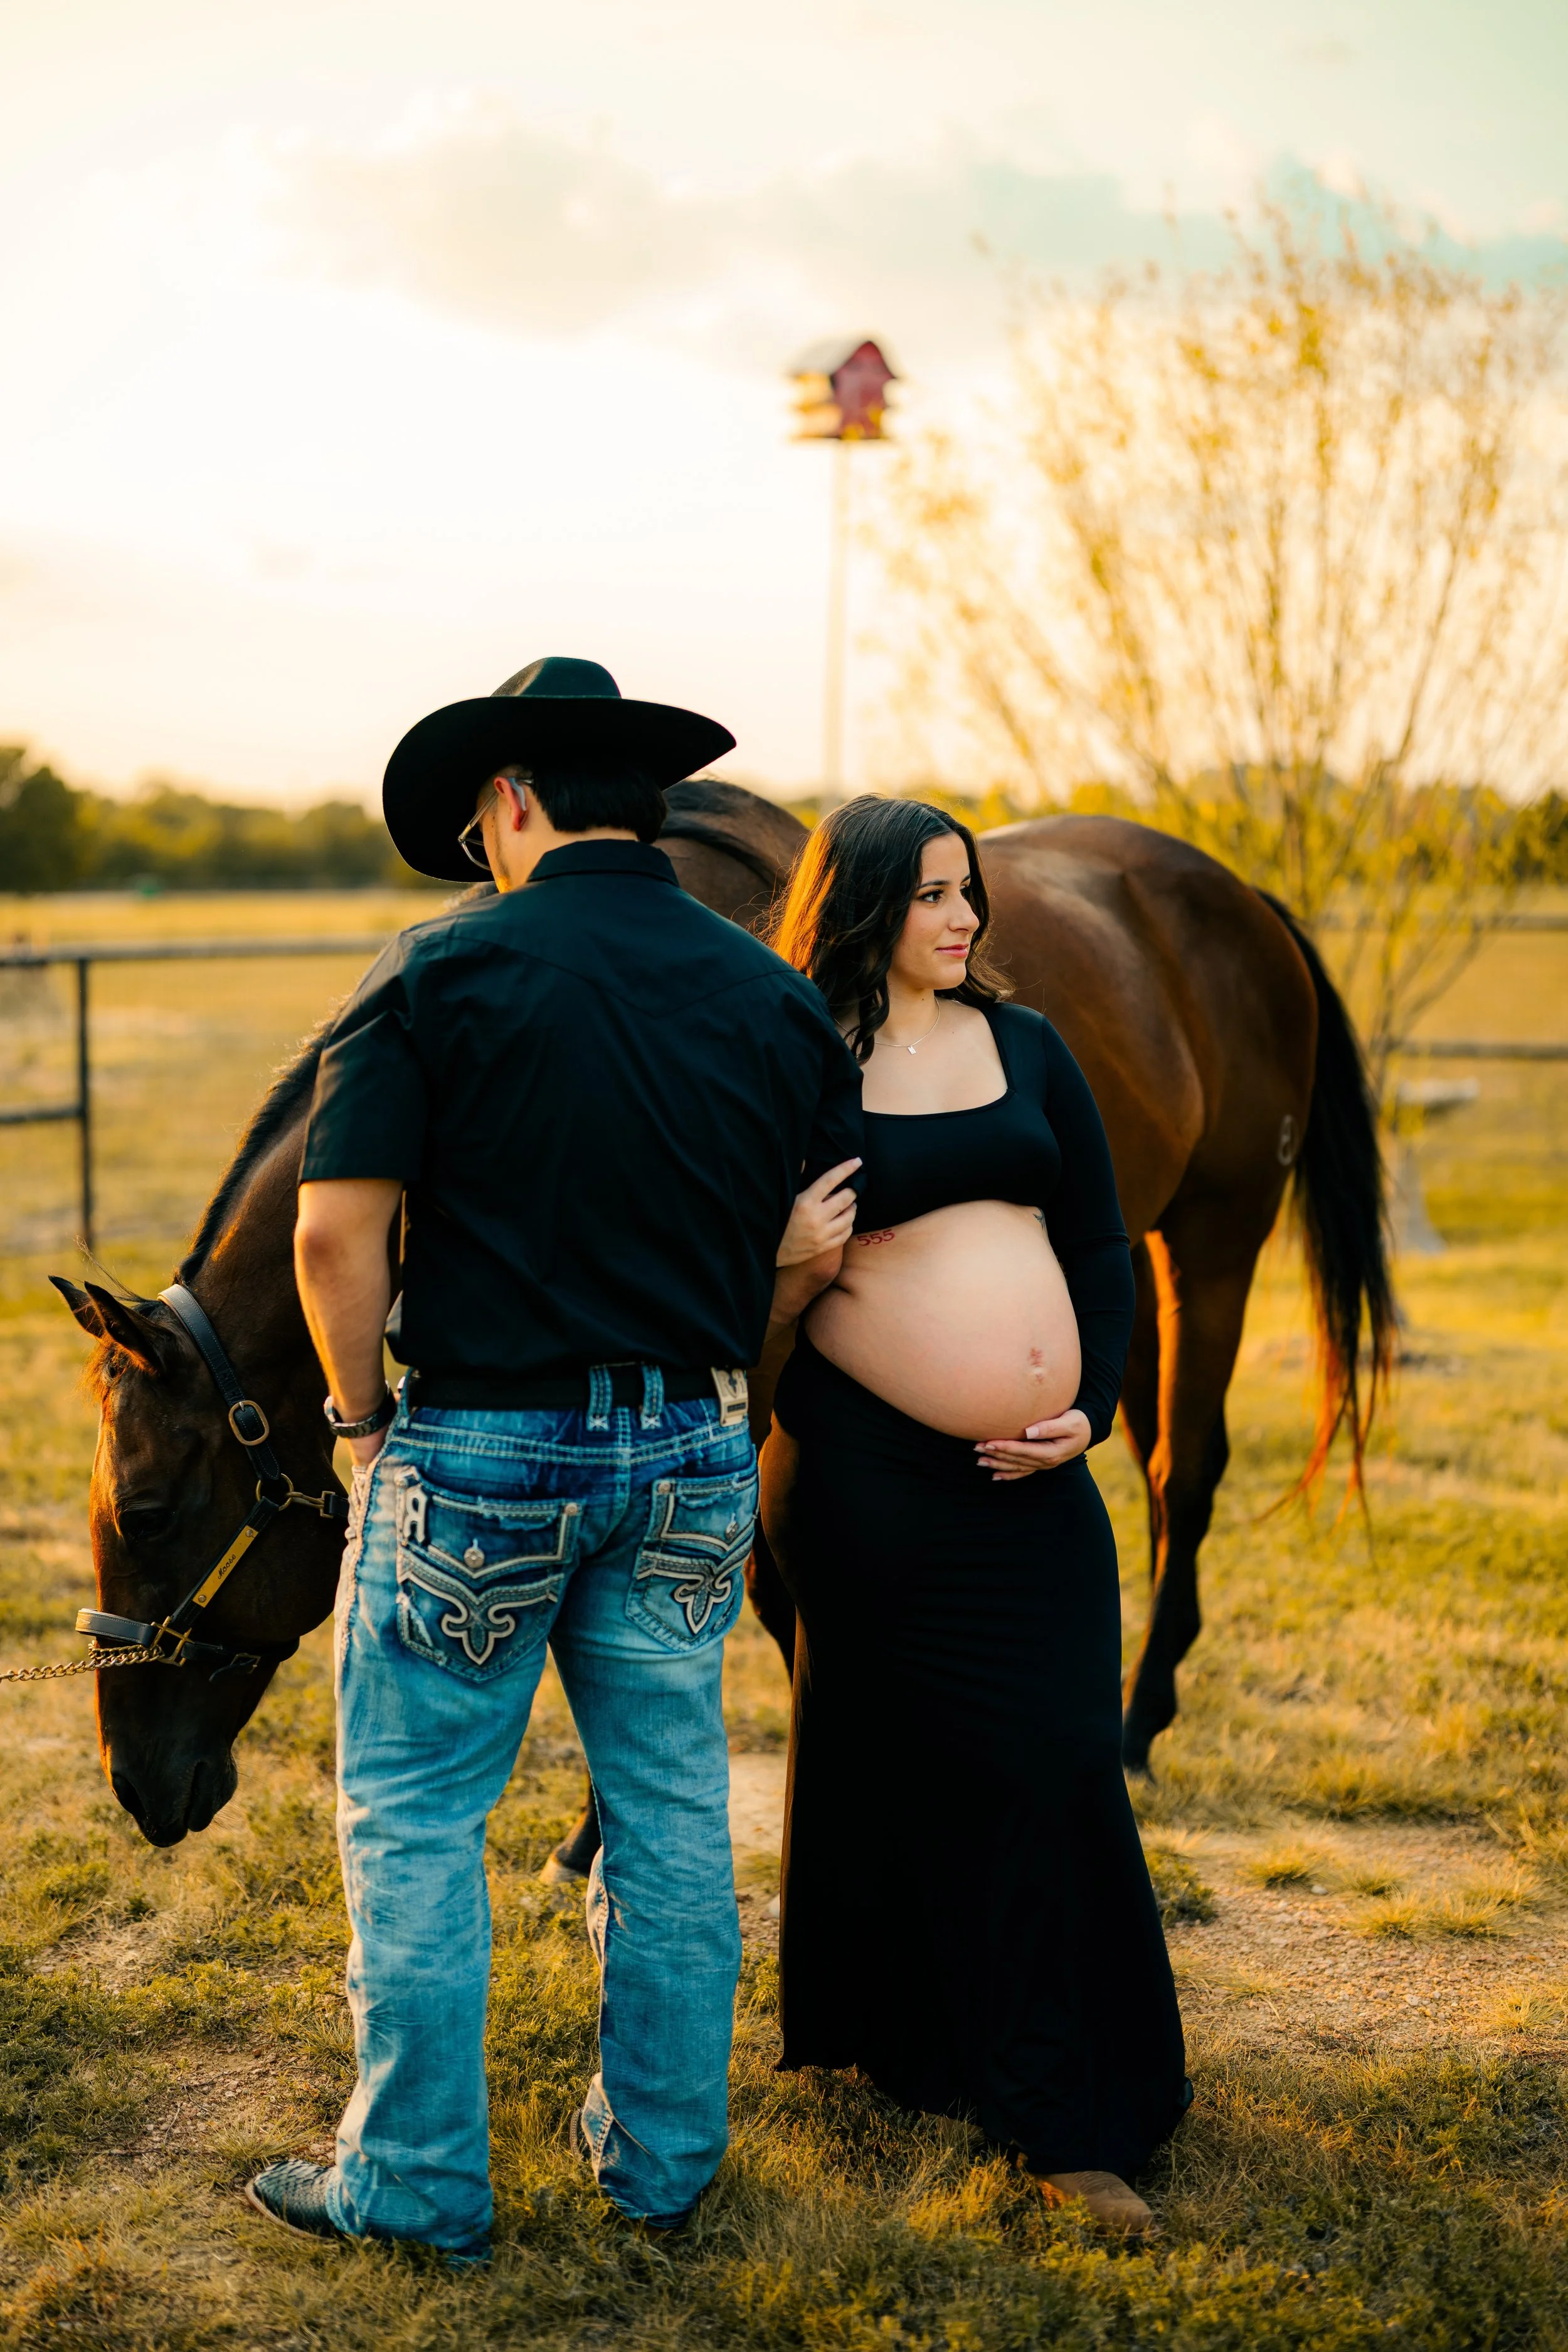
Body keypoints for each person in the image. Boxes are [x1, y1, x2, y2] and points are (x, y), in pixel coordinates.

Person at [245, 657, 862, 2260]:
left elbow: (332, 1233)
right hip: (689, 1446)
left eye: (477, 824)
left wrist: (360, 1425)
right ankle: (664, 2164)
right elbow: (807, 1252)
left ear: (514, 801)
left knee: (417, 1816)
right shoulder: (774, 998)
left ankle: (419, 2185)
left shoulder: (433, 973)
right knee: (668, 1810)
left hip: (478, 1452)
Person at [760, 795, 1189, 2236]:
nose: (963, 920)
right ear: (864, 906)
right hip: (877, 1490)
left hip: (1040, 1484)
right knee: (938, 1777)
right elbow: (746, 1319)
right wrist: (795, 1268)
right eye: (934, 896)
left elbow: (1093, 1240)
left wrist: (1097, 1404)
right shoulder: (799, 1069)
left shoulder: (1028, 1048)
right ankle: (1050, 2122)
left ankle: (1065, 2062)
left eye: (969, 896)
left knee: (1063, 1756)